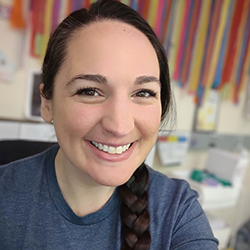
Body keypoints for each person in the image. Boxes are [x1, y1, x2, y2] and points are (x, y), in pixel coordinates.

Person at [0, 0, 219, 249]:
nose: (120, 126)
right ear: (47, 103)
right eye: (91, 91)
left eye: (144, 93)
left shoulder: (178, 212)